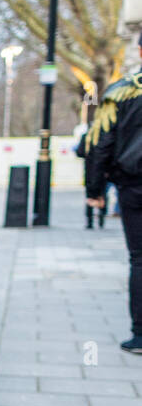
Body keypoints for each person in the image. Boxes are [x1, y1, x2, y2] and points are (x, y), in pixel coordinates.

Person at [84, 33, 142, 354]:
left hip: (134, 185)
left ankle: (140, 335)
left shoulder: (120, 92)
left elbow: (99, 143)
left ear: (140, 50)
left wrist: (95, 190)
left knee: (140, 258)